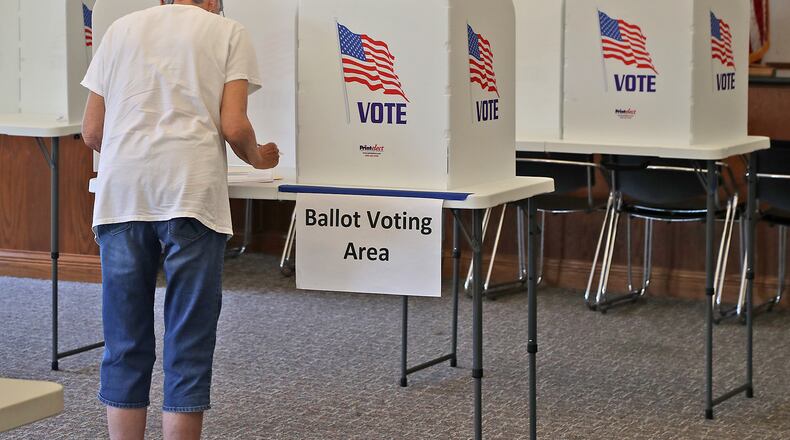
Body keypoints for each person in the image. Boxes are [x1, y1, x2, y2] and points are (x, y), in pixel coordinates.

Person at [81, 1, 278, 438]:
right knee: (188, 340)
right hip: (191, 192)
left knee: (124, 340)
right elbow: (234, 125)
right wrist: (259, 158)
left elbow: (93, 131)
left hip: (123, 195)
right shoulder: (228, 32)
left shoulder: (119, 29)